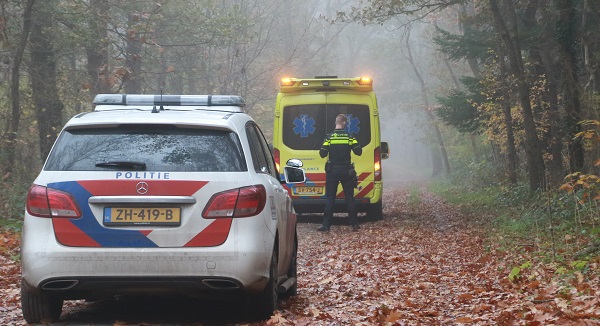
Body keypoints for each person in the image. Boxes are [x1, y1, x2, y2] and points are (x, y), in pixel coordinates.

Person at [317, 114, 362, 232]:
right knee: (349, 197)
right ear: (345, 123)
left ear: (335, 122)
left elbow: (322, 153)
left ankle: (326, 226)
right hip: (347, 171)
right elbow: (358, 151)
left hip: (332, 171)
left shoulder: (329, 137)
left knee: (330, 198)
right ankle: (354, 224)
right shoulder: (349, 137)